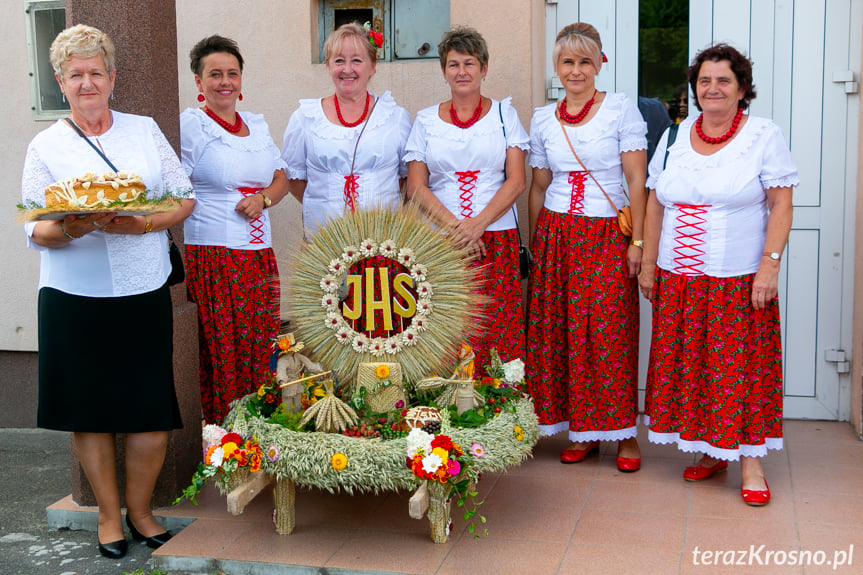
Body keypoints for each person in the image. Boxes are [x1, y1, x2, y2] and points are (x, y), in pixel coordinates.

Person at [20, 25, 195, 558]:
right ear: (60, 82)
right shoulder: (45, 144)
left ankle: (142, 513)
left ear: (113, 77)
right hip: (74, 295)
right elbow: (33, 226)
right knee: (90, 412)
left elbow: (182, 197)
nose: (88, 81)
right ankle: (106, 519)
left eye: (97, 71)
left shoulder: (143, 131)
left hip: (142, 288)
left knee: (149, 410)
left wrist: (140, 224)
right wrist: (74, 225)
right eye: (76, 74)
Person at [639, 43, 796, 506]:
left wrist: (770, 265)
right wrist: (648, 264)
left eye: (723, 80)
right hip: (679, 276)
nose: (712, 88)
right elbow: (654, 201)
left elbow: (782, 202)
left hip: (735, 278)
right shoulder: (674, 136)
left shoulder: (763, 136)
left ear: (742, 88)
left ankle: (750, 462)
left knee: (738, 372)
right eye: (704, 80)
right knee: (694, 370)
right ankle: (713, 451)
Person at [525, 23, 647, 471]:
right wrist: (538, 244)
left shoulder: (619, 110)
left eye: (584, 62)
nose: (575, 71)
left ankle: (625, 435)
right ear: (556, 67)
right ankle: (585, 430)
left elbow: (637, 181)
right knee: (564, 333)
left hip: (604, 235)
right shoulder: (543, 118)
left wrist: (637, 241)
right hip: (558, 235)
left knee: (609, 333)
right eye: (567, 62)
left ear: (600, 65)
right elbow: (539, 185)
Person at [404, 26, 528, 375]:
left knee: (497, 324)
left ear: (484, 69)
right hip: (442, 241)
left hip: (495, 236)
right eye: (454, 64)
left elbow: (517, 180)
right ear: (443, 71)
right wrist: (457, 228)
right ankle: (447, 411)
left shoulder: (505, 115)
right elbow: (415, 186)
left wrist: (478, 224)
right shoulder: (426, 120)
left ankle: (503, 410)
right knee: (447, 325)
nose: (462, 71)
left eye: (469, 63)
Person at [181, 35, 290, 424]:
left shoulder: (256, 126)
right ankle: (227, 436)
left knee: (261, 347)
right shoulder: (191, 127)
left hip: (259, 256)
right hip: (215, 255)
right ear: (198, 82)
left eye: (232, 73)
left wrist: (264, 200)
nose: (225, 82)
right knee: (225, 350)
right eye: (215, 74)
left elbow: (281, 177)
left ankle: (259, 430)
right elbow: (174, 187)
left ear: (241, 80)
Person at [281, 22, 411, 238]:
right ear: (329, 66)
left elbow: (410, 178)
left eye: (357, 61)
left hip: (383, 239)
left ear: (373, 65)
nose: (347, 69)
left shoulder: (396, 118)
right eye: (339, 61)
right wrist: (323, 203)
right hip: (324, 238)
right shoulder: (305, 117)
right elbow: (293, 178)